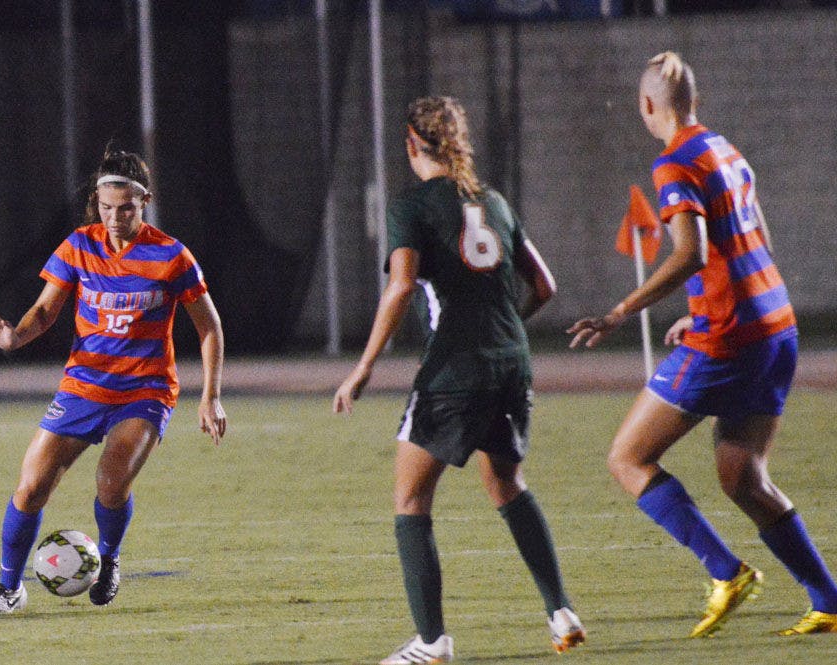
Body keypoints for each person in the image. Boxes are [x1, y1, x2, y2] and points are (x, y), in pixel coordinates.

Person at [567, 51, 837, 637]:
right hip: (775, 324)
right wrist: (701, 310)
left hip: (731, 335)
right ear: (696, 101)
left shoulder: (672, 164)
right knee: (743, 475)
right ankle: (829, 600)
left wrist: (622, 309)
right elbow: (754, 236)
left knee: (627, 457)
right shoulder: (727, 151)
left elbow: (691, 251)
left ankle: (726, 570)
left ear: (646, 106)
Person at [334, 96, 585, 663]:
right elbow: (543, 285)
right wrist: (500, 328)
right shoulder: (491, 200)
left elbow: (400, 287)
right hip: (511, 365)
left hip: (456, 370)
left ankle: (431, 643)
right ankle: (561, 611)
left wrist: (363, 367)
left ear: (410, 143)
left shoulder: (414, 207)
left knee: (410, 498)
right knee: (506, 485)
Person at [0, 148, 226, 613]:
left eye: (126, 208)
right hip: (83, 386)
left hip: (144, 389)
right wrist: (13, 338)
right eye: (106, 207)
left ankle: (108, 559)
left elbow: (208, 327)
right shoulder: (79, 245)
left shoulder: (171, 255)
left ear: (144, 200)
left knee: (111, 483)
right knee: (30, 489)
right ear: (97, 201)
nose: (114, 218)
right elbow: (46, 310)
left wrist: (210, 397)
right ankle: (9, 587)